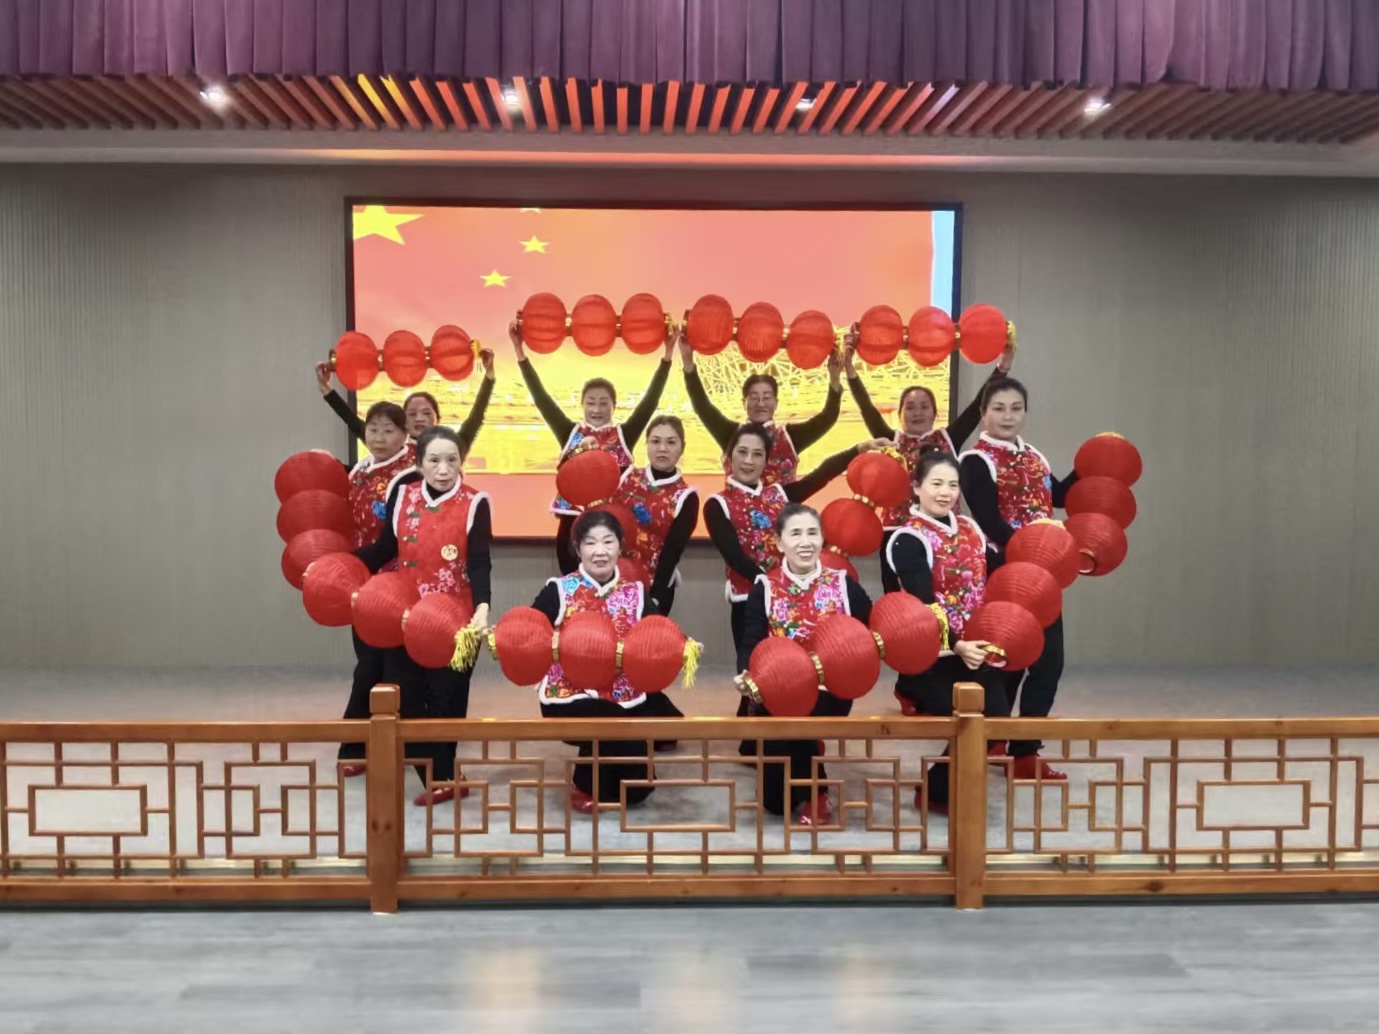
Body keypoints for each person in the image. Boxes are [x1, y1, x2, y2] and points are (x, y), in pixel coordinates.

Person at [884, 450, 1034, 812]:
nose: (945, 492)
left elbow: (996, 569)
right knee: (971, 720)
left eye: (952, 485)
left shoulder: (970, 528)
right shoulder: (908, 539)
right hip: (934, 655)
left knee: (995, 722)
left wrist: (1038, 551)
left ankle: (938, 787)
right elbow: (923, 605)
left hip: (976, 646)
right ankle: (940, 791)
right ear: (916, 487)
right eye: (936, 483)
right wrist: (958, 644)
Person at [355, 425, 492, 806]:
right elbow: (385, 549)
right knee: (408, 700)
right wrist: (340, 565)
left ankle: (443, 778)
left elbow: (479, 562)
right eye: (434, 460)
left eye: (452, 460)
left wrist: (483, 607)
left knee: (447, 701)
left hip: (456, 622)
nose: (443, 469)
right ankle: (439, 775)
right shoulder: (403, 495)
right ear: (419, 463)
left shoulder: (475, 502)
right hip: (404, 616)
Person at [958, 377, 1077, 780]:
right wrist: (1034, 549)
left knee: (1048, 663)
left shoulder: (1034, 455)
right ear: (983, 414)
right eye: (999, 408)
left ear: (1025, 412)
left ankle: (1025, 751)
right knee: (1005, 659)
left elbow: (1059, 496)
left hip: (1043, 576)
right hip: (1004, 572)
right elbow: (989, 521)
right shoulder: (976, 460)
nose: (1008, 416)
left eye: (1016, 408)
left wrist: (1094, 462)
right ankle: (992, 737)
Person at [531, 510, 684, 814]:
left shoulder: (635, 593)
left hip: (624, 691)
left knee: (637, 790)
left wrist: (682, 645)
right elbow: (530, 632)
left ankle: (608, 777)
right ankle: (586, 783)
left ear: (620, 546)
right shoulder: (559, 590)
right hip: (570, 693)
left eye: (607, 542)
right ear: (578, 549)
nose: (599, 551)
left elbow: (657, 632)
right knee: (608, 718)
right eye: (590, 543)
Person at [735, 503, 873, 826]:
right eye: (795, 534)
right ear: (779, 542)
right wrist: (745, 673)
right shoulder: (765, 588)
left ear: (822, 539)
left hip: (831, 687)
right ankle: (808, 760)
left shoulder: (843, 584)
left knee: (797, 722)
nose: (805, 542)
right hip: (779, 688)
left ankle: (817, 794)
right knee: (774, 803)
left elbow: (872, 628)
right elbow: (751, 640)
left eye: (812, 533)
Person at [511, 322, 675, 573]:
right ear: (582, 405)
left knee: (613, 587)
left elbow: (649, 402)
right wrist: (519, 351)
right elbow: (542, 399)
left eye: (603, 403)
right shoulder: (570, 433)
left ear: (614, 406)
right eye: (591, 403)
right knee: (573, 588)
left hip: (612, 527)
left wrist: (667, 356)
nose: (597, 409)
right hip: (572, 526)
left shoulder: (623, 436)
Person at [336, 401, 415, 774]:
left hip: (396, 583)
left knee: (383, 666)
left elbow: (393, 541)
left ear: (404, 434)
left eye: (388, 430)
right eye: (373, 429)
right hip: (361, 578)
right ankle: (371, 743)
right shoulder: (361, 469)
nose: (379, 437)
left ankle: (359, 747)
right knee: (368, 662)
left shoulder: (410, 475)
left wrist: (345, 563)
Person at [679, 332, 844, 486]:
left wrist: (835, 378)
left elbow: (828, 418)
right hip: (735, 509)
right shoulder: (731, 435)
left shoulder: (789, 438)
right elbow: (702, 406)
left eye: (766, 397)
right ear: (744, 403)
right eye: (754, 397)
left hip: (782, 509)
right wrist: (687, 359)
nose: (760, 403)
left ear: (776, 403)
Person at [315, 347, 496, 446]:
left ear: (438, 419)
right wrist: (326, 390)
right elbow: (355, 424)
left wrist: (489, 376)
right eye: (412, 414)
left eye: (426, 413)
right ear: (403, 423)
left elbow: (476, 417)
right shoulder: (391, 449)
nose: (419, 418)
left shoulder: (453, 448)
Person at [610, 415, 699, 616]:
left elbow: (672, 552)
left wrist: (655, 596)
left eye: (671, 442)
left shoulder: (685, 496)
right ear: (647, 444)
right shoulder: (625, 476)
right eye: (656, 441)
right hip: (613, 579)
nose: (662, 448)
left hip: (654, 585)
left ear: (682, 448)